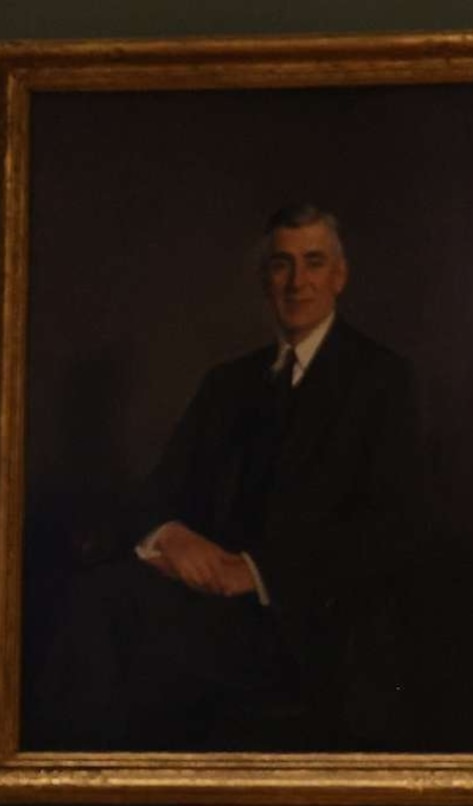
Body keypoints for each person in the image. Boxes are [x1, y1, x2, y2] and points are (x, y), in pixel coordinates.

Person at [34, 205, 419, 751]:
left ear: (340, 276)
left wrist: (255, 573)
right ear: (266, 279)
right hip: (213, 610)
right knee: (92, 600)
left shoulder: (381, 380)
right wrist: (172, 533)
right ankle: (66, 794)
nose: (297, 282)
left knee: (116, 625)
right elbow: (158, 489)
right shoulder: (229, 384)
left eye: (313, 263)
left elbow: (391, 530)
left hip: (312, 622)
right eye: (282, 265)